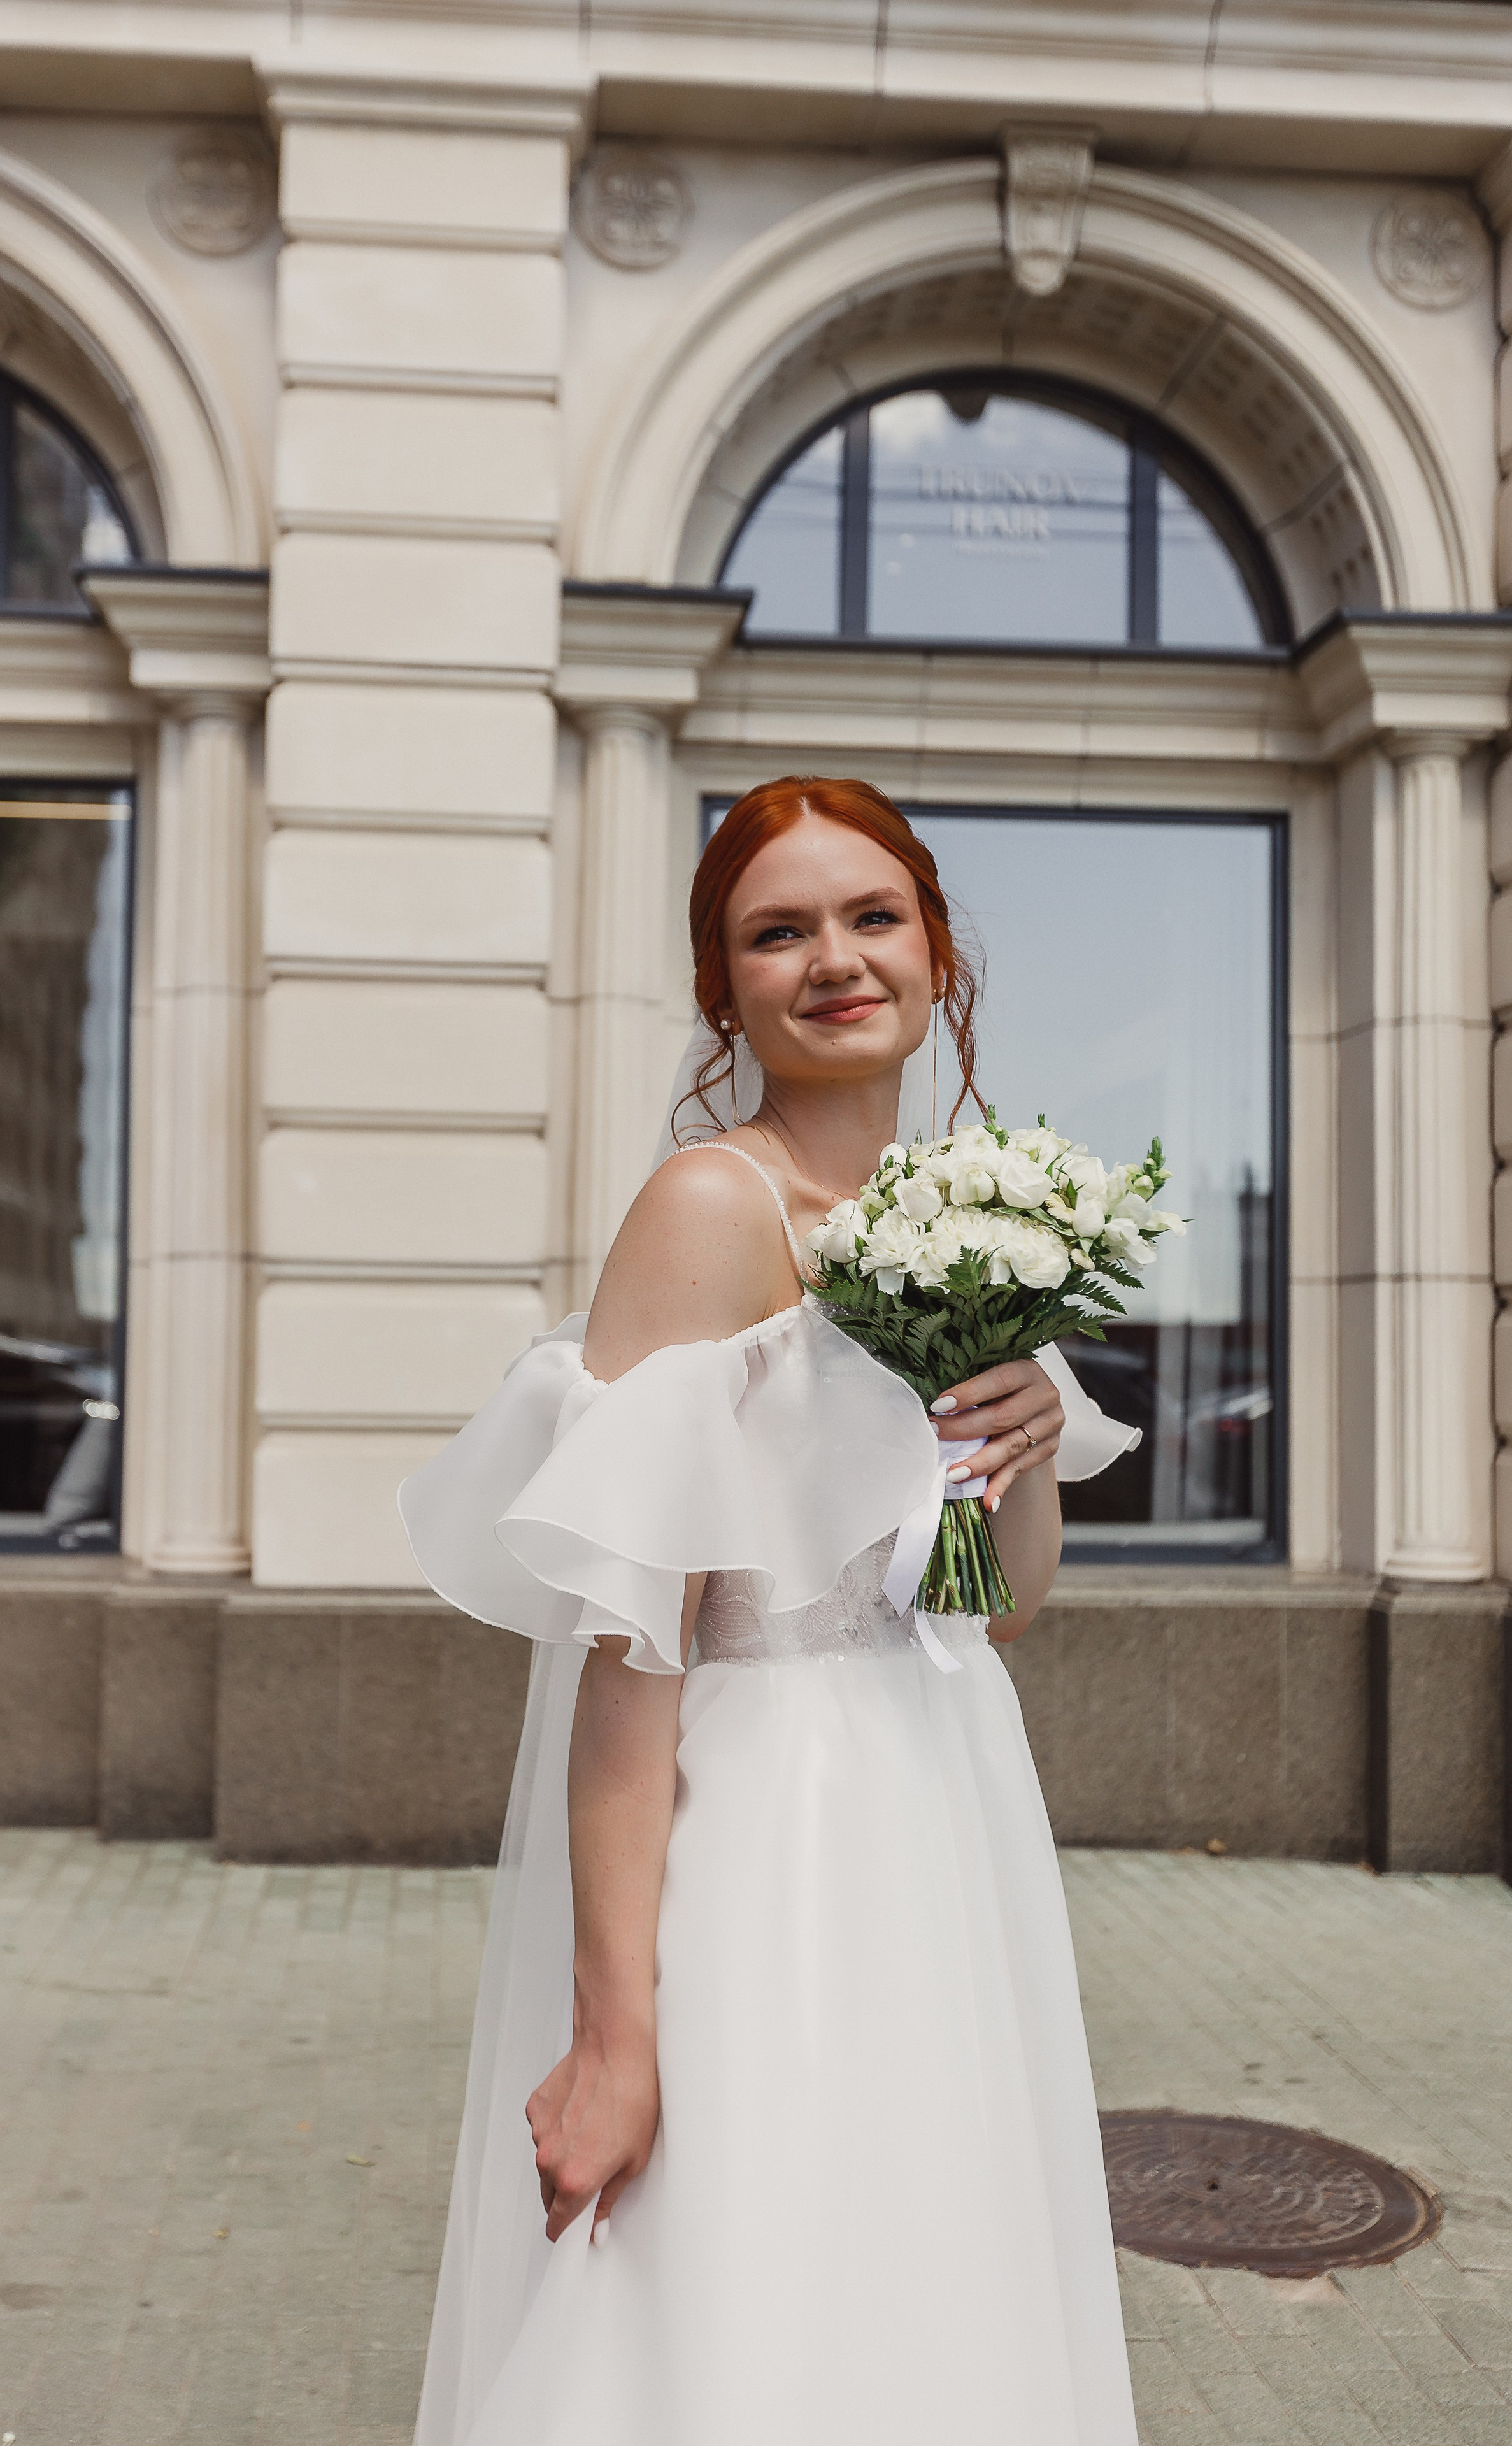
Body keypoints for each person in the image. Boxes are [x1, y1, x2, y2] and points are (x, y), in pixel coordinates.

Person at [400, 776, 1142, 2446]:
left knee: (925, 2264)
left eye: (873, 918)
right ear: (718, 986)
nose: (835, 960)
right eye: (777, 931)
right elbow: (629, 1650)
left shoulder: (962, 1217)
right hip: (765, 1822)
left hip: (941, 1794)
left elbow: (994, 1607)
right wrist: (611, 2034)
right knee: (747, 2276)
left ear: (938, 956)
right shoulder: (707, 1212)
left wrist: (1020, 1444)